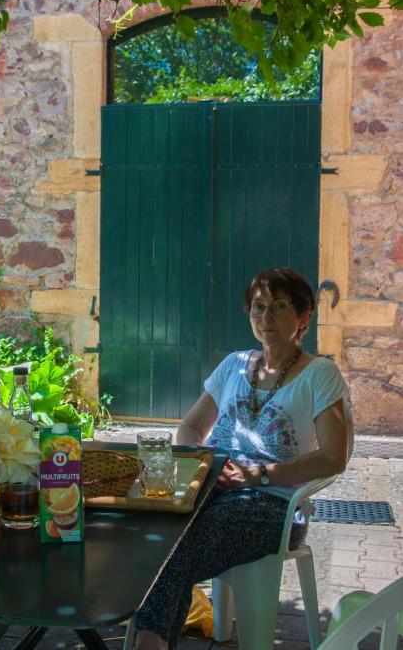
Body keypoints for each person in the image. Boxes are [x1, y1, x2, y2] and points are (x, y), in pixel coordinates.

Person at [132, 267, 355, 650]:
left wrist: (259, 475)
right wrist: (201, 466)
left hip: (274, 506)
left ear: (304, 317)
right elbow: (189, 429)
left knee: (177, 547)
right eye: (258, 307)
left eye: (279, 307)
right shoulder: (234, 365)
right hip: (210, 489)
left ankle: (149, 644)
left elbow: (333, 458)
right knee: (152, 533)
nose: (265, 317)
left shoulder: (320, 374)